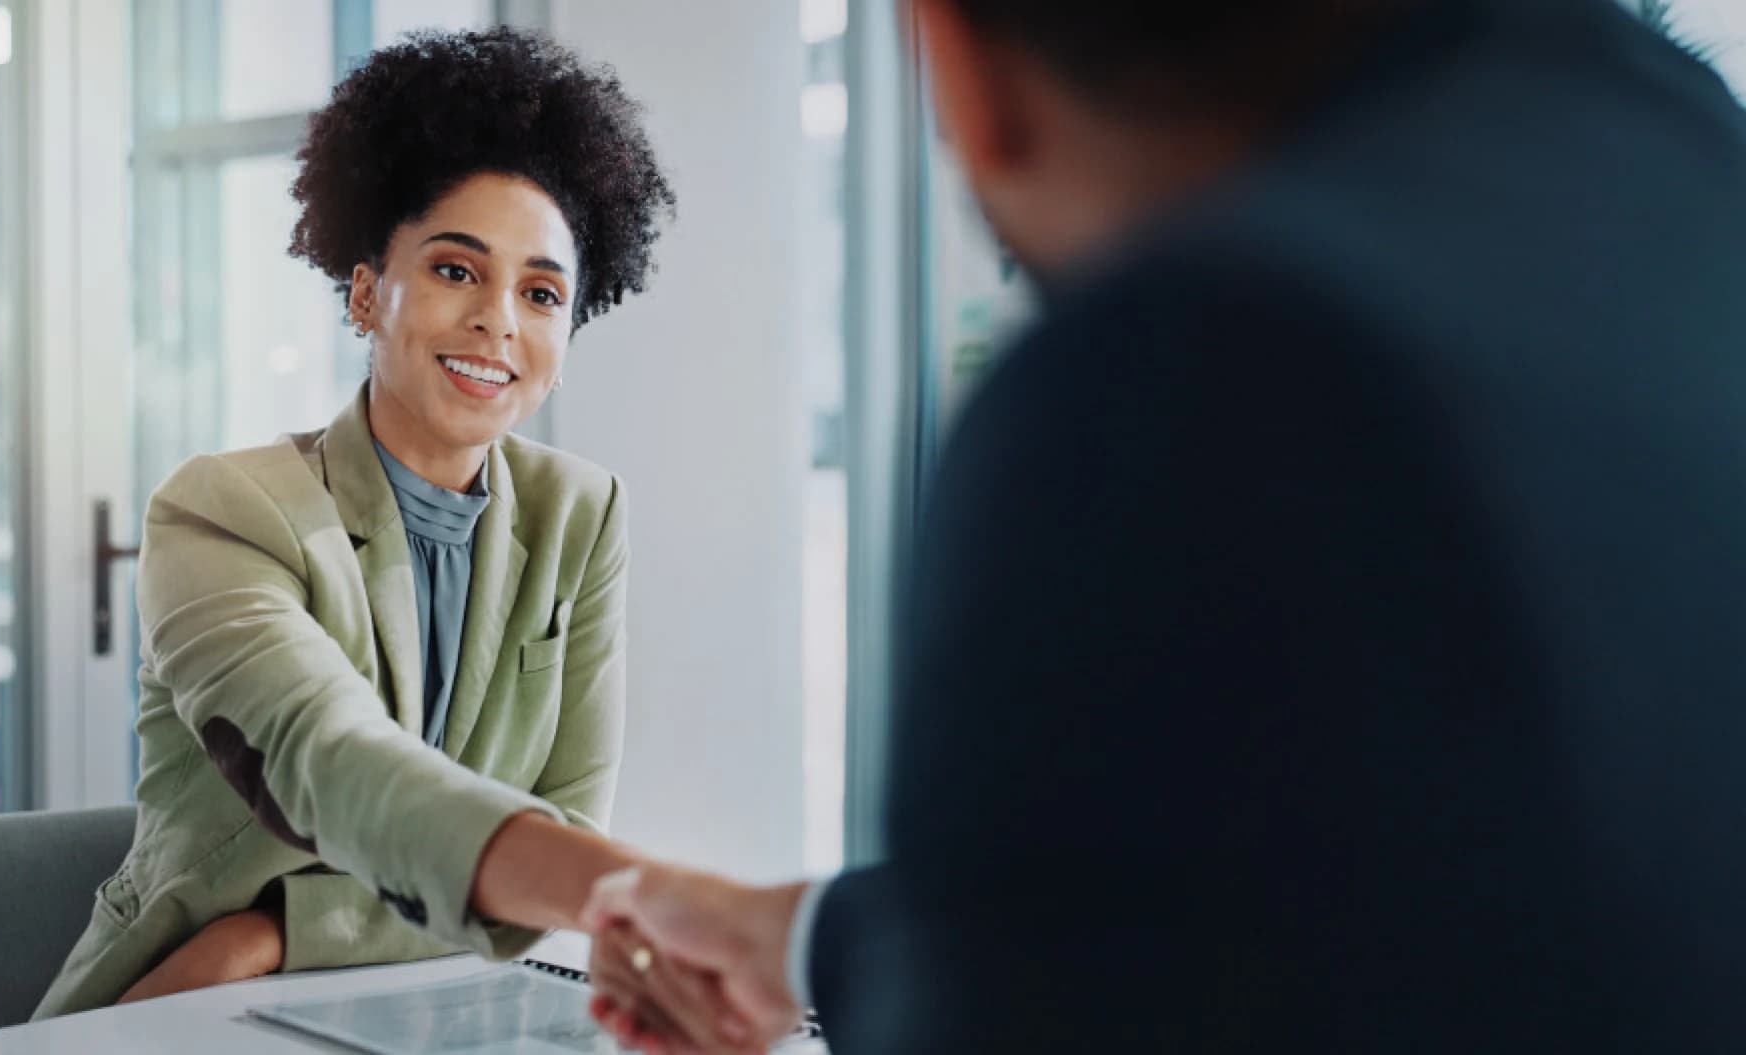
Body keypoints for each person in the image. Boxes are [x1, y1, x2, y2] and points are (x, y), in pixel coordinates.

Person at [581, 0, 1746, 1050]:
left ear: (960, 62)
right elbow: (1386, 894)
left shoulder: (1189, 376)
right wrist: (800, 937)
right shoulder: (1673, 141)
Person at [34, 27, 676, 1017]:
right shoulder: (221, 509)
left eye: (542, 292)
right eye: (457, 270)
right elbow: (335, 765)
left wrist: (274, 932)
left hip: (424, 1001)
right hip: (180, 1003)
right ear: (369, 292)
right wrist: (638, 895)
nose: (499, 319)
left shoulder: (581, 516)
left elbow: (566, 832)